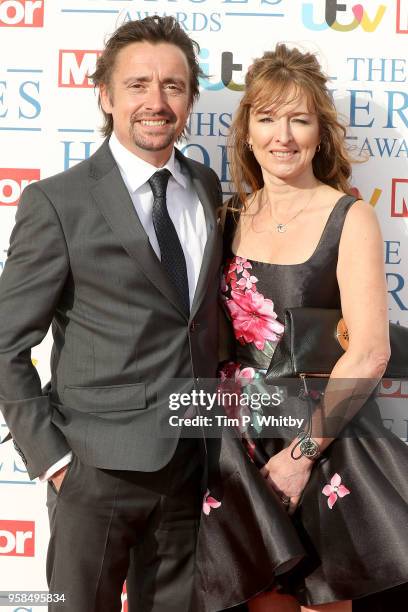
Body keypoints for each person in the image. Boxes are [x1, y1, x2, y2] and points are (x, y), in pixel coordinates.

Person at [0, 16, 223, 612]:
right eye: (138, 84)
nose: (157, 101)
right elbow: (5, 344)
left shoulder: (204, 186)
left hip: (190, 463)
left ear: (191, 98)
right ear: (105, 94)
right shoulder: (58, 201)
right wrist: (54, 460)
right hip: (93, 470)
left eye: (173, 86)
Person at [193, 44, 408, 612]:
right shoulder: (228, 216)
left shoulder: (350, 216)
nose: (281, 135)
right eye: (266, 118)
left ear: (320, 132)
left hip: (325, 439)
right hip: (240, 442)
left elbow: (368, 354)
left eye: (299, 119)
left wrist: (302, 455)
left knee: (323, 599)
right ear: (246, 131)